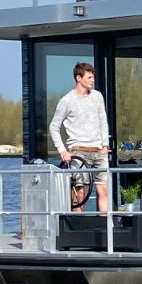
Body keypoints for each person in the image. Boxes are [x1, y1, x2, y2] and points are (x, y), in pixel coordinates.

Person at [49, 62, 111, 213]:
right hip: (78, 151)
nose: (92, 80)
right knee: (79, 192)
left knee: (103, 190)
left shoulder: (97, 96)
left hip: (98, 151)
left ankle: (104, 224)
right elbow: (54, 127)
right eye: (89, 77)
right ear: (78, 78)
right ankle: (78, 223)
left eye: (93, 77)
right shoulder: (66, 101)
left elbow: (103, 121)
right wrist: (62, 150)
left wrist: (105, 144)